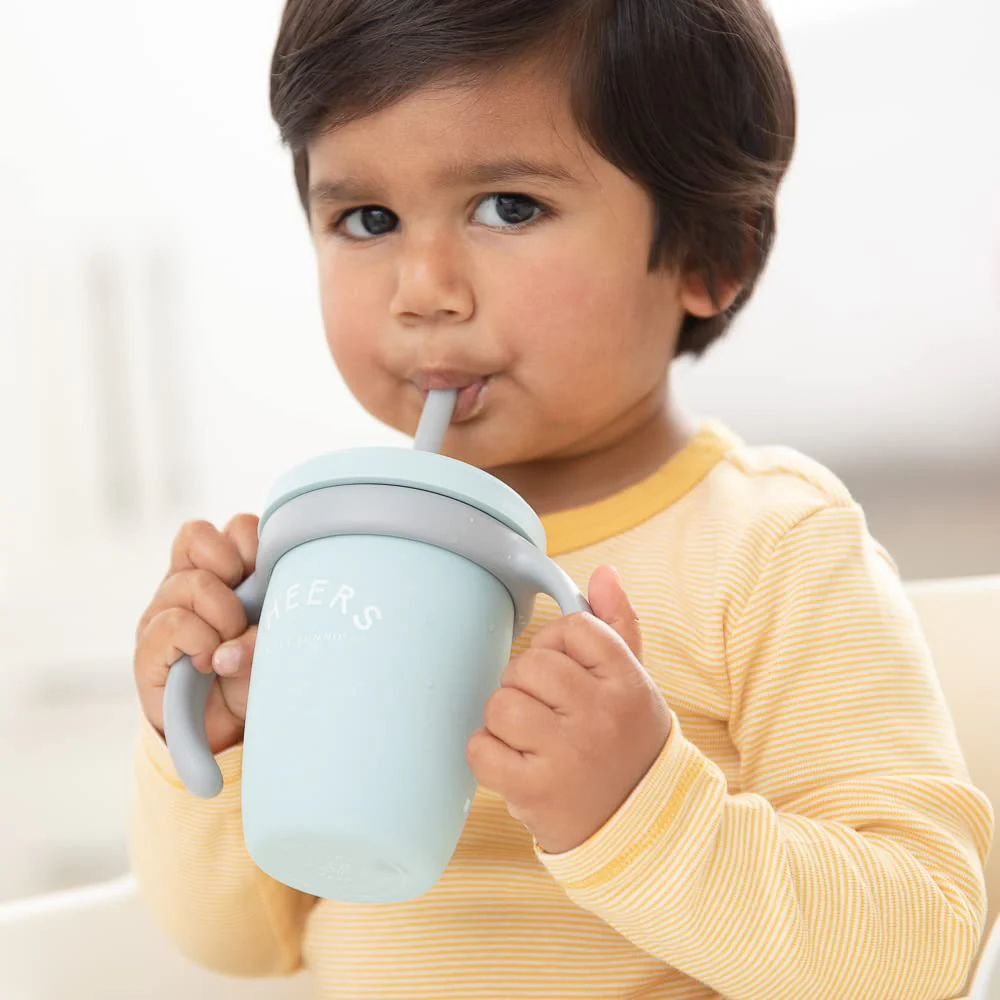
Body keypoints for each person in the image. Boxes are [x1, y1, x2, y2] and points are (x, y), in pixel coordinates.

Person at [129, 1, 993, 997]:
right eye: (368, 219)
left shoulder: (772, 548)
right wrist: (211, 741)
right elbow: (238, 945)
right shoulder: (323, 564)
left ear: (712, 251)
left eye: (508, 207)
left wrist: (640, 808)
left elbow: (923, 946)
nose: (424, 288)